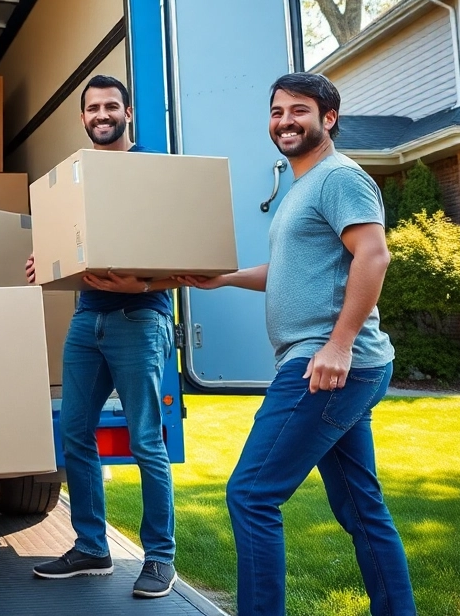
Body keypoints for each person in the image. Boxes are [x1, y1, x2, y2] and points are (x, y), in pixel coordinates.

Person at [180, 72, 415, 615]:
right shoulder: (302, 186)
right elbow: (291, 271)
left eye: (299, 111)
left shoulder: (338, 178)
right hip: (337, 364)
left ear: (328, 118)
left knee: (252, 494)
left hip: (326, 364)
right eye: (277, 111)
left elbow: (373, 255)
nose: (285, 121)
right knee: (361, 508)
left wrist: (338, 346)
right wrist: (227, 278)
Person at [25, 75, 181, 598]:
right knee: (74, 432)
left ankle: (160, 558)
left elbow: (191, 259)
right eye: (93, 108)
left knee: (144, 441)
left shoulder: (151, 171)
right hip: (87, 318)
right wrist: (47, 256)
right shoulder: (77, 177)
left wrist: (142, 282)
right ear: (84, 118)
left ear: (128, 112)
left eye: (111, 106)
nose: (102, 114)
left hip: (140, 319)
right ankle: (92, 548)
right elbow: (72, 244)